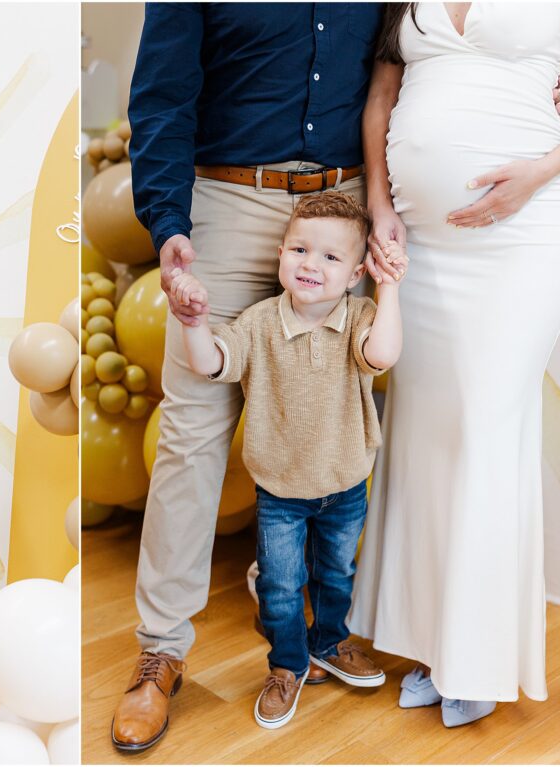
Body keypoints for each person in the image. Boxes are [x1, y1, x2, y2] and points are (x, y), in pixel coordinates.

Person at [112, 4, 385, 752]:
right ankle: (161, 649)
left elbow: (400, 71)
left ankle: (299, 604)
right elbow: (162, 96)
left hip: (343, 207)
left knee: (329, 417)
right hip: (227, 202)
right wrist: (168, 224)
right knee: (192, 433)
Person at [348, 2, 560, 728]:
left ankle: (477, 659)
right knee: (427, 437)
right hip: (421, 243)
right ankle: (430, 644)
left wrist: (539, 172)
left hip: (523, 232)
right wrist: (380, 205)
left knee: (486, 428)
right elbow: (381, 100)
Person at [170, 192, 407, 729]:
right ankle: (286, 665)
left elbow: (383, 354)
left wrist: (389, 286)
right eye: (300, 249)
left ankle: (329, 643)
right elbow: (213, 364)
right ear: (280, 253)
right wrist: (193, 322)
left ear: (353, 275)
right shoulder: (258, 323)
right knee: (279, 586)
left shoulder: (359, 316)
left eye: (329, 258)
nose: (310, 264)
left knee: (336, 574)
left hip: (345, 483)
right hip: (280, 492)